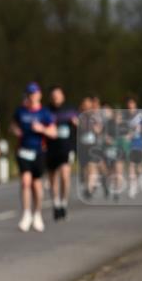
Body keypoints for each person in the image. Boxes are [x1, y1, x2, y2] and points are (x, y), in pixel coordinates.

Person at [10, 82, 56, 232]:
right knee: (25, 181)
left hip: (39, 151)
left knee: (37, 185)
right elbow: (12, 125)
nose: (32, 97)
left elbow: (53, 133)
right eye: (29, 94)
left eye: (34, 94)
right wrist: (16, 130)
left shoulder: (44, 113)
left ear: (39, 95)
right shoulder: (21, 111)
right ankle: (26, 214)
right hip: (23, 150)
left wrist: (42, 129)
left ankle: (37, 214)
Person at [45, 86, 79, 220]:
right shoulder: (46, 111)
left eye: (58, 96)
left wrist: (77, 123)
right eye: (53, 96)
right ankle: (56, 203)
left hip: (66, 147)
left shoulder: (70, 110)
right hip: (50, 148)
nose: (56, 98)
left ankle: (64, 202)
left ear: (63, 96)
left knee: (65, 176)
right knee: (53, 178)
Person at [127, 96, 142, 198]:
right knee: (131, 165)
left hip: (140, 143)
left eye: (132, 104)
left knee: (138, 166)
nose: (130, 106)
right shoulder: (127, 116)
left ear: (135, 104)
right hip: (131, 145)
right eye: (129, 104)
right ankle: (133, 187)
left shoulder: (140, 116)